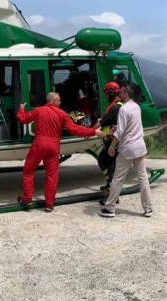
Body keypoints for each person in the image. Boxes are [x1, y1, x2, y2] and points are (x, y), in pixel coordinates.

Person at [17, 92, 103, 212]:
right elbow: (74, 129)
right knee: (52, 176)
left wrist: (21, 109)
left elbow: (23, 119)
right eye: (59, 101)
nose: (60, 102)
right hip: (53, 146)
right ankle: (49, 204)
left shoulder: (38, 110)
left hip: (39, 144)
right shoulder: (62, 114)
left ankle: (27, 199)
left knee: (28, 171)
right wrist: (93, 132)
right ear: (53, 101)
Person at [99, 85, 153, 218]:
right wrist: (117, 128)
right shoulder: (136, 107)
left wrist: (112, 146)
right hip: (140, 147)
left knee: (117, 178)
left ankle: (110, 208)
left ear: (126, 93)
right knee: (143, 178)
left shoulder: (123, 109)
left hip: (128, 149)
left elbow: (121, 131)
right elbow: (130, 125)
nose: (119, 94)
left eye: (122, 92)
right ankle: (148, 208)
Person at [95, 81, 123, 192]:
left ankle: (113, 191)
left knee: (108, 163)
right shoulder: (115, 105)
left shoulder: (116, 107)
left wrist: (89, 130)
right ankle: (110, 184)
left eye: (107, 93)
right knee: (105, 161)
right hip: (110, 139)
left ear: (111, 93)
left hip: (113, 141)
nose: (105, 96)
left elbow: (103, 121)